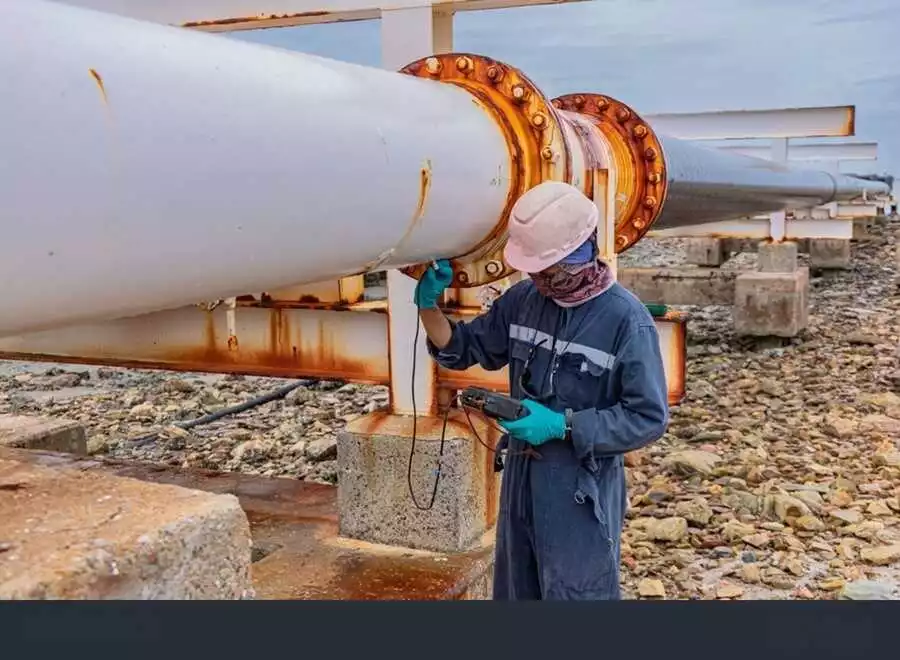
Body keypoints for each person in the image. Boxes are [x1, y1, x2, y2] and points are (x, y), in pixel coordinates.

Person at [414, 180, 669, 600]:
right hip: (522, 476)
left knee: (576, 598)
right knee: (518, 591)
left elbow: (646, 418)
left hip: (580, 491)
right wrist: (428, 306)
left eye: (545, 271)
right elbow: (462, 349)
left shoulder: (627, 322)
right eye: (533, 271)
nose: (538, 280)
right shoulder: (523, 301)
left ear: (577, 257)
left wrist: (562, 426)